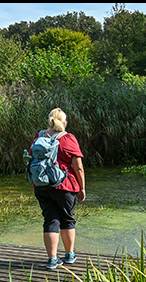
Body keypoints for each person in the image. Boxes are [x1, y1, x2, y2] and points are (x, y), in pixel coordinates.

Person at [28, 108, 86, 270]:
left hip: (42, 185)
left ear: (50, 120)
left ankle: (52, 259)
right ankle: (69, 255)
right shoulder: (68, 138)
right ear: (64, 122)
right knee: (67, 219)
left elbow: (32, 157)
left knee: (50, 220)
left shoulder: (39, 136)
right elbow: (78, 166)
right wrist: (82, 188)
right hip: (65, 185)